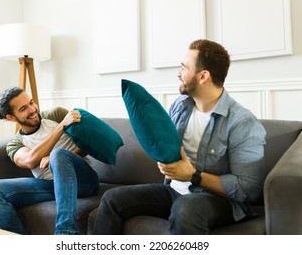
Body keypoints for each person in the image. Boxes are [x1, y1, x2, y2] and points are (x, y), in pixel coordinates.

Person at [93, 39, 266, 234]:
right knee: (112, 198)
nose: (178, 73)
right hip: (173, 190)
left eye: (184, 68)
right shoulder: (180, 106)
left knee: (185, 209)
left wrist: (194, 176)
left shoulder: (242, 123)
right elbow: (167, 145)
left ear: (203, 76)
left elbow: (248, 189)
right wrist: (165, 162)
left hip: (217, 200)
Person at [0, 87, 99, 234]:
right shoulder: (15, 144)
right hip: (50, 185)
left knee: (58, 154)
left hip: (84, 181)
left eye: (31, 102)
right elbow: (30, 160)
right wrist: (60, 128)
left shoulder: (56, 114)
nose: (32, 109)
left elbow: (87, 142)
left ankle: (66, 233)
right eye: (24, 108)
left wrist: (60, 157)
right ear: (11, 117)